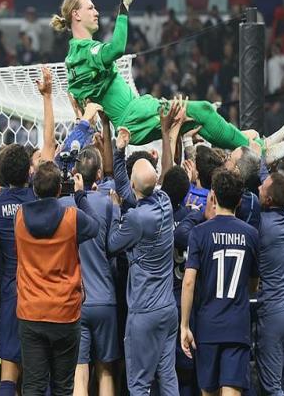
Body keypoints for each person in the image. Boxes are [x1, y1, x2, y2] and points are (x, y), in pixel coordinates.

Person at [50, 0, 284, 164]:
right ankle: (260, 151)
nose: (96, 12)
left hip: (135, 115)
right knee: (203, 109)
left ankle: (255, 144)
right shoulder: (85, 51)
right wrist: (124, 7)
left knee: (201, 117)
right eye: (90, 8)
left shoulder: (75, 57)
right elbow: (117, 48)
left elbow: (80, 96)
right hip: (133, 116)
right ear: (76, 15)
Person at [14, 161, 99, 394]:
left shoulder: (19, 217)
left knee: (33, 386)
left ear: (34, 188)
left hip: (31, 311)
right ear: (60, 190)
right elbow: (95, 226)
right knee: (63, 387)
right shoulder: (72, 217)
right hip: (65, 311)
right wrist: (80, 196)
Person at [108, 128, 179, 395]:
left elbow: (112, 244)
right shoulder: (164, 201)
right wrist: (119, 152)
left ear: (134, 185)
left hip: (144, 311)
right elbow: (130, 189)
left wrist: (115, 210)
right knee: (168, 377)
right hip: (167, 309)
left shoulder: (136, 219)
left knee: (139, 384)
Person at [180, 169, 260, 396]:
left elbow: (189, 282)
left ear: (213, 196)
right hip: (237, 328)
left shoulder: (199, 233)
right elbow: (254, 285)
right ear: (239, 201)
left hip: (208, 327)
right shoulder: (251, 234)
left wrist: (184, 325)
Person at [59, 146, 119, 396]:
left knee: (79, 372)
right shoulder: (108, 204)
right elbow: (114, 247)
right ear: (98, 175)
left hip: (74, 300)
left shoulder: (61, 206)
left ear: (75, 173)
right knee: (106, 372)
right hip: (104, 298)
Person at [0, 144, 36, 395]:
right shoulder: (38, 200)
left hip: (10, 292)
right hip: (39, 289)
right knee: (38, 372)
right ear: (29, 172)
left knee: (9, 371)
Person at [256, 173, 284, 395]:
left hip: (274, 314)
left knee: (272, 388)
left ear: (268, 200)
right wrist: (264, 163)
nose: (258, 187)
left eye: (262, 188)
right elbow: (276, 187)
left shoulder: (263, 225)